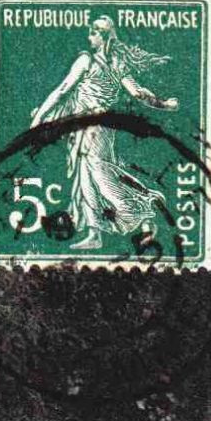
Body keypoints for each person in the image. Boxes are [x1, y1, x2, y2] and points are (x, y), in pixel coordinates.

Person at [29, 16, 179, 251]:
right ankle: (96, 232)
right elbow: (139, 93)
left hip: (94, 127)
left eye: (94, 31)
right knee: (87, 176)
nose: (90, 34)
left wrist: (39, 119)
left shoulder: (86, 60)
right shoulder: (117, 63)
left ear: (103, 36)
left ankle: (144, 205)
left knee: (99, 174)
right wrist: (164, 104)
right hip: (93, 128)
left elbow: (63, 90)